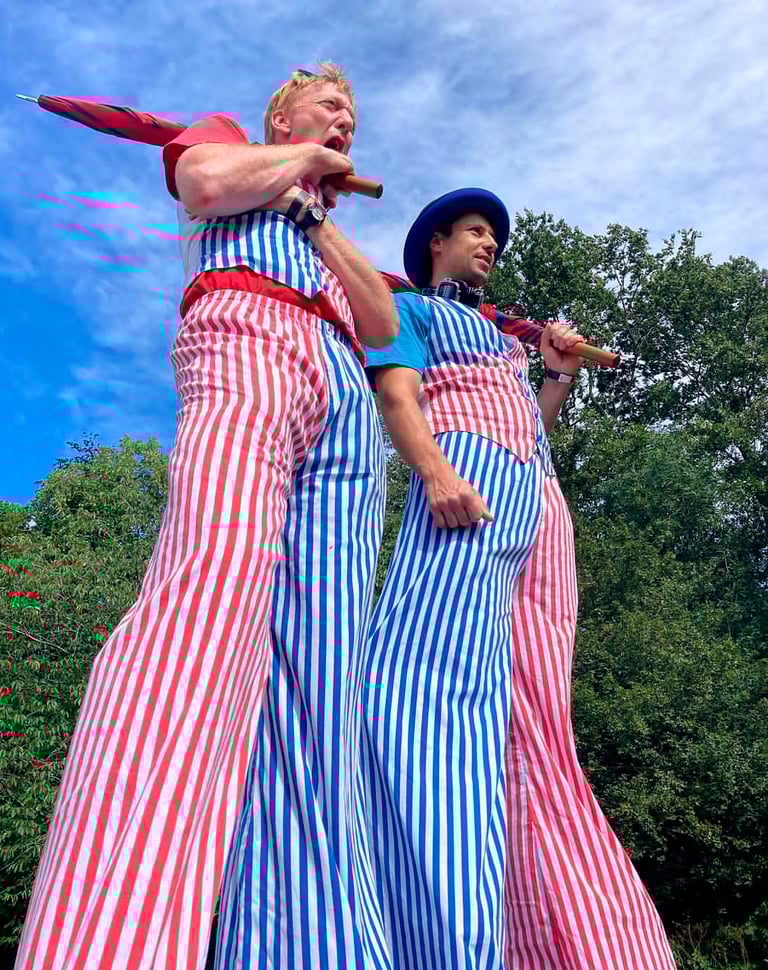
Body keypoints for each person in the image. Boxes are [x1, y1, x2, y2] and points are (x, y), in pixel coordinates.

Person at [15, 64, 397, 970]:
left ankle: (313, 947)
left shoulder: (317, 220)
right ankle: (111, 940)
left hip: (342, 391)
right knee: (209, 600)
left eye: (352, 111)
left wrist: (315, 215)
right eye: (330, 105)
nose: (345, 118)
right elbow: (206, 184)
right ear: (283, 112)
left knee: (324, 671)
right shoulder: (227, 135)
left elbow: (381, 325)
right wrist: (301, 158)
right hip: (248, 341)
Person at [359, 189, 677, 969]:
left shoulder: (501, 340)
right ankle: (423, 914)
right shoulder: (417, 313)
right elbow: (396, 394)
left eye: (494, 237)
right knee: (432, 682)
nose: (489, 243)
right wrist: (434, 474)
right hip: (464, 484)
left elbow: (532, 428)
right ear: (437, 242)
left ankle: (538, 918)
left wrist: (557, 374)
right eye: (476, 231)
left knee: (523, 705)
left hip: (531, 502)